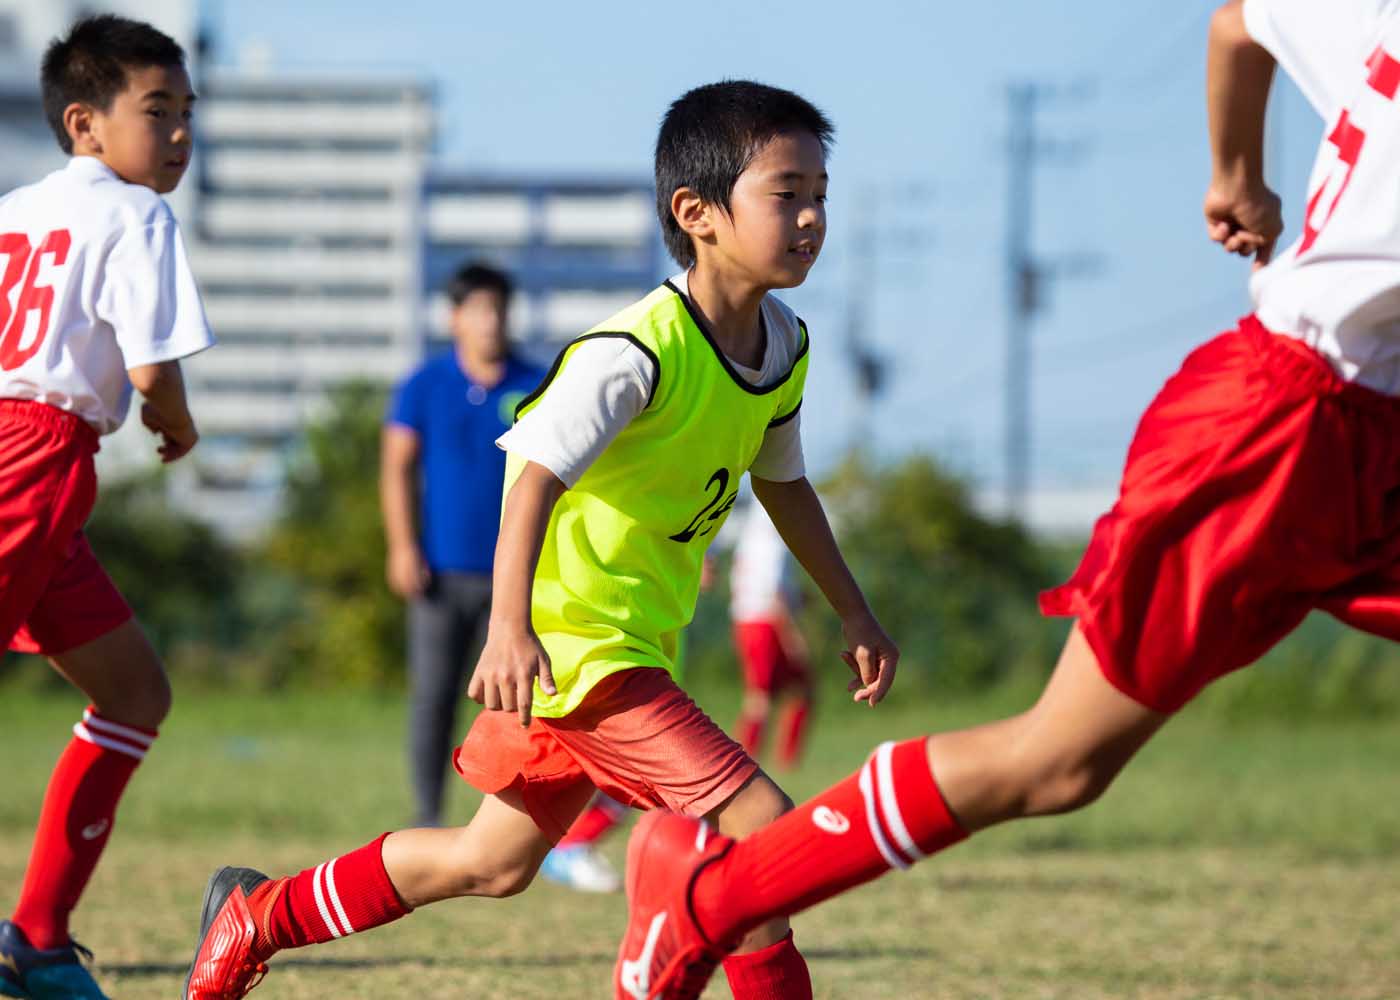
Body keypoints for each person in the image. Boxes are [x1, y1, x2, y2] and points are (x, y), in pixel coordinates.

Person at [609, 2, 1400, 996]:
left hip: (1354, 421)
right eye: (789, 192)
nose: (810, 214)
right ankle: (708, 902)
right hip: (1289, 427)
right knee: (1056, 762)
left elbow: (1242, 21)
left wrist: (1233, 172)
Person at [184, 80, 899, 1000]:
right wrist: (509, 629)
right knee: (763, 836)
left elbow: (784, 482)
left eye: (821, 196)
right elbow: (531, 481)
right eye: (786, 192)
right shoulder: (635, 350)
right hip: (582, 652)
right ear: (698, 213)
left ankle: (259, 916)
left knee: (490, 861)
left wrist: (855, 609)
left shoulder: (785, 344)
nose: (811, 217)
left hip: (631, 643)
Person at [0, 15, 214, 1000]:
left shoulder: (14, 211)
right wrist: (175, 423)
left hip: (43, 469)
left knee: (134, 692)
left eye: (187, 115)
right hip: (29, 459)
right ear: (84, 123)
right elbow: (150, 366)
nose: (177, 135)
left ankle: (37, 939)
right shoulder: (135, 216)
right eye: (156, 111)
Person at [381, 261, 544, 828]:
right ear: (455, 318)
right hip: (439, 573)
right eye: (479, 309)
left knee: (509, 703)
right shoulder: (423, 385)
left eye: (499, 309)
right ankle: (428, 815)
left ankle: (501, 823)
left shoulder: (536, 382)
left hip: (513, 578)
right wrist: (403, 546)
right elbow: (397, 467)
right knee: (434, 699)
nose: (491, 321)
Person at [729, 501, 814, 768]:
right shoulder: (772, 543)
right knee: (765, 697)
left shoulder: (748, 539)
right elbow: (774, 594)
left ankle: (763, 759)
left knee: (781, 692)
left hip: (746, 620)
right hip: (766, 622)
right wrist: (792, 637)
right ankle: (750, 761)